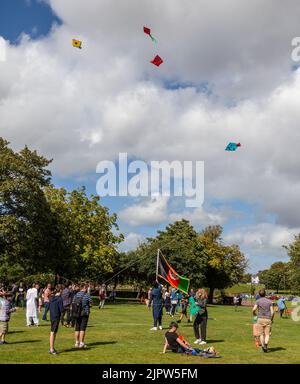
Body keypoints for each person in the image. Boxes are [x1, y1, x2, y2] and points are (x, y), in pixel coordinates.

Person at [252, 289, 274, 353]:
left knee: (261, 334)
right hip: (268, 319)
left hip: (260, 318)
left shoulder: (258, 301)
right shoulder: (270, 301)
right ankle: (266, 345)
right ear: (265, 294)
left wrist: (255, 315)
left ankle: (263, 346)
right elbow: (272, 312)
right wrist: (271, 319)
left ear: (259, 294)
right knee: (267, 334)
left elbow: (254, 309)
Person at [73, 283, 92, 348]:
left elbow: (73, 303)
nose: (86, 289)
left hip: (76, 313)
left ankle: (76, 342)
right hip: (84, 313)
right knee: (82, 328)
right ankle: (81, 343)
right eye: (86, 287)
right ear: (84, 288)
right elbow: (91, 303)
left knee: (77, 328)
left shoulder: (76, 295)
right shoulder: (87, 295)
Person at [49, 285, 63, 355]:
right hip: (56, 317)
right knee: (53, 332)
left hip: (52, 316)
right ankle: (51, 349)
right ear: (60, 291)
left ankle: (52, 347)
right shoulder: (59, 299)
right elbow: (61, 310)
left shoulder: (51, 297)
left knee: (53, 332)